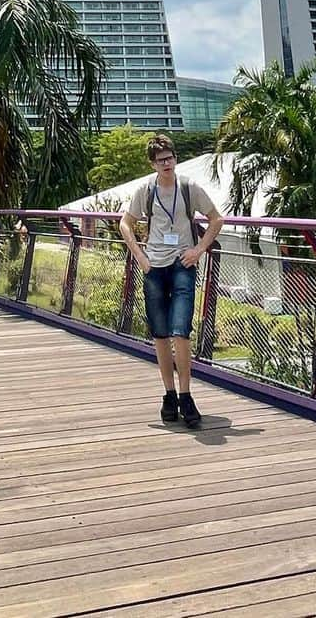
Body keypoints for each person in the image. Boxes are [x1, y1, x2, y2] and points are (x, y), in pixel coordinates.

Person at [119, 134, 223, 429]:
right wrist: (139, 256)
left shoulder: (189, 187)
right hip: (154, 267)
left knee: (181, 331)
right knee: (161, 334)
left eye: (170, 158)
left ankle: (187, 396)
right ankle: (169, 394)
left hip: (182, 264)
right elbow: (125, 222)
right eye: (161, 160)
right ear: (153, 164)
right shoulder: (146, 190)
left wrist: (199, 249)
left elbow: (216, 218)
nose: (167, 163)